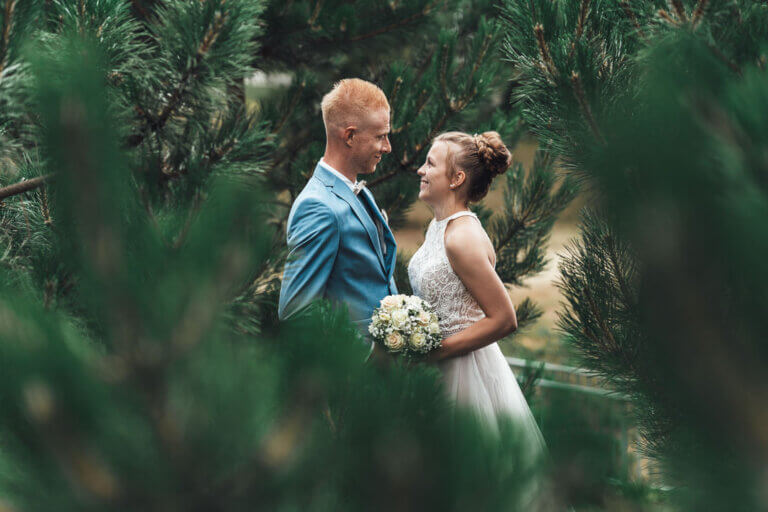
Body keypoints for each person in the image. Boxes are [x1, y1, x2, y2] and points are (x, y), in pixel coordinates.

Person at [407, 131, 547, 451]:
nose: (420, 170)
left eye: (430, 164)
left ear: (456, 178)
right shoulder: (440, 227)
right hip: (434, 370)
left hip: (462, 374)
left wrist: (435, 352)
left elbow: (503, 319)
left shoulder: (462, 238)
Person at [278, 78, 397, 357]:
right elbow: (295, 311)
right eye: (380, 136)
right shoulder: (318, 207)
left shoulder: (353, 189)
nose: (388, 147)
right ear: (350, 136)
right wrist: (366, 356)